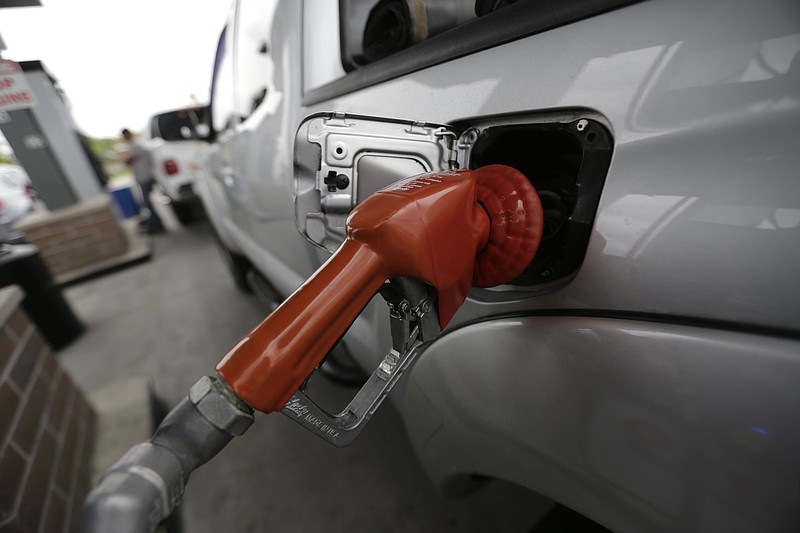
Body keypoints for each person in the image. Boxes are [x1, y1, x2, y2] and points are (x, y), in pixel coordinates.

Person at [121, 128, 165, 234]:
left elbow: (128, 162)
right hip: (146, 175)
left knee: (147, 204)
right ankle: (155, 224)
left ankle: (156, 226)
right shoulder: (139, 143)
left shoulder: (135, 145)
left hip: (144, 177)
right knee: (148, 203)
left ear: (128, 134)